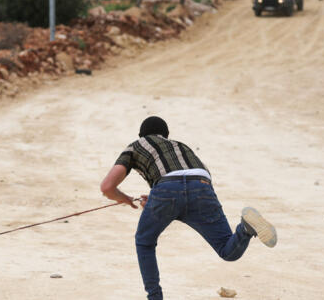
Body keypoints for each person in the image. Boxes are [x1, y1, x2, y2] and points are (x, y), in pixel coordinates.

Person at [100, 116, 277, 300]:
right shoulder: (181, 146)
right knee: (226, 250)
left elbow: (107, 187)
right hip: (201, 185)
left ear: (141, 134)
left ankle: (154, 297)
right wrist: (156, 199)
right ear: (166, 135)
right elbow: (189, 179)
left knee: (144, 242)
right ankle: (245, 229)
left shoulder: (136, 145)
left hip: (166, 190)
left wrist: (127, 199)